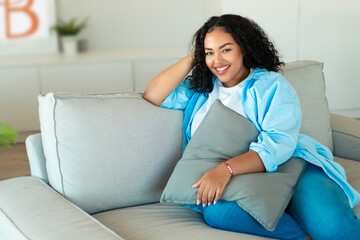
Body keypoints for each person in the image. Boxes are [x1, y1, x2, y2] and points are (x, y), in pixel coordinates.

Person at [144, 14, 360, 240]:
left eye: (225, 49)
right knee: (219, 214)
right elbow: (154, 95)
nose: (217, 60)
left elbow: (278, 144)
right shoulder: (200, 89)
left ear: (244, 48)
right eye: (209, 52)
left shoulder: (270, 86)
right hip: (240, 180)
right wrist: (195, 56)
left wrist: (225, 169)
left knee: (332, 228)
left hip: (292, 166)